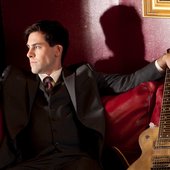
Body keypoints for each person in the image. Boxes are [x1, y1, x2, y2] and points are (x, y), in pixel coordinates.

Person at [0, 20, 169, 170]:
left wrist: (162, 61)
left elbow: (128, 81)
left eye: (36, 47)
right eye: (28, 47)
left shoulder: (83, 76)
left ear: (57, 50)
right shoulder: (14, 79)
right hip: (34, 162)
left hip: (77, 162)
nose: (29, 54)